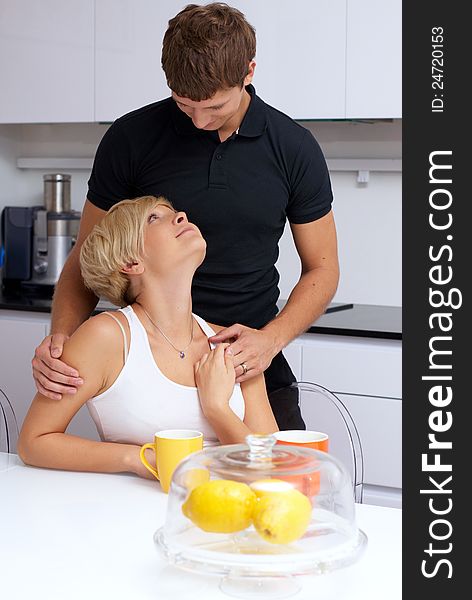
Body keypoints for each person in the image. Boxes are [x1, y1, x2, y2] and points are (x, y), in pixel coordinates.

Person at [31, 2, 339, 430]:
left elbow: (322, 269)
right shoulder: (131, 138)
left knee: (285, 488)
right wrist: (62, 340)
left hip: (247, 363)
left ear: (249, 72)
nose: (197, 120)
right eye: (184, 104)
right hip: (149, 366)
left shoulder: (294, 148)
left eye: (213, 107)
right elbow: (87, 254)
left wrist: (271, 340)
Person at [18, 196, 278, 476]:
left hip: (227, 513)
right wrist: (141, 459)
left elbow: (272, 469)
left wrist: (217, 408)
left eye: (175, 212)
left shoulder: (233, 346)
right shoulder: (106, 337)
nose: (182, 216)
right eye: (154, 218)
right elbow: (35, 442)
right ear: (130, 262)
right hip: (134, 514)